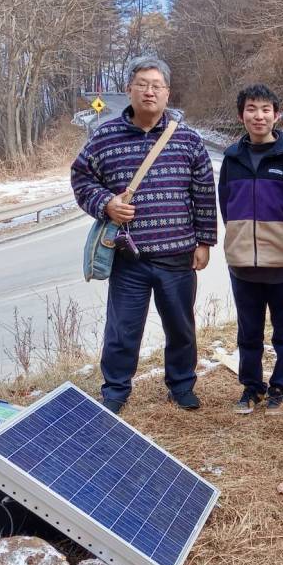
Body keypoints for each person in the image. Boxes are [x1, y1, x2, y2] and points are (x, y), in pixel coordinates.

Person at [71, 55, 217, 414]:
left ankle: (181, 386)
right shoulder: (104, 137)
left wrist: (204, 242)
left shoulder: (188, 139)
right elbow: (81, 178)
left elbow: (203, 193)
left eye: (157, 86)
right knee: (122, 330)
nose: (149, 92)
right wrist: (106, 203)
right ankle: (115, 391)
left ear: (167, 93)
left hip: (178, 256)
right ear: (129, 90)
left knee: (181, 327)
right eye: (142, 85)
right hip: (128, 257)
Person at [217, 84, 283, 415]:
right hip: (243, 264)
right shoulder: (232, 158)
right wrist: (238, 238)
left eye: (266, 109)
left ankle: (280, 387)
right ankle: (251, 387)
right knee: (248, 333)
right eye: (251, 109)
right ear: (241, 115)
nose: (259, 116)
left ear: (276, 115)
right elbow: (226, 205)